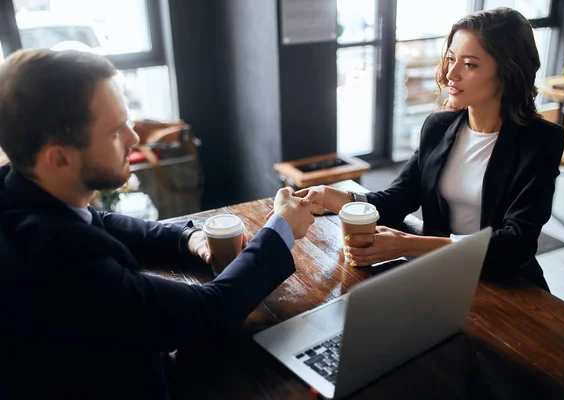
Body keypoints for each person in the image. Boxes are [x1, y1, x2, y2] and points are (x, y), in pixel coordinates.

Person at [0, 49, 323, 399]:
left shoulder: (18, 191)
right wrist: (280, 228)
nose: (134, 138)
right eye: (115, 131)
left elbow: (100, 221)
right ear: (58, 157)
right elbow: (207, 314)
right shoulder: (62, 258)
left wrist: (187, 238)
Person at [290, 8, 564, 291]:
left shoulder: (541, 141)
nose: (450, 74)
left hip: (507, 286)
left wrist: (409, 245)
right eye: (450, 58)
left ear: (508, 73)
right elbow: (398, 200)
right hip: (443, 276)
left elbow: (515, 243)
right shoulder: (439, 126)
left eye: (469, 64)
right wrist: (332, 197)